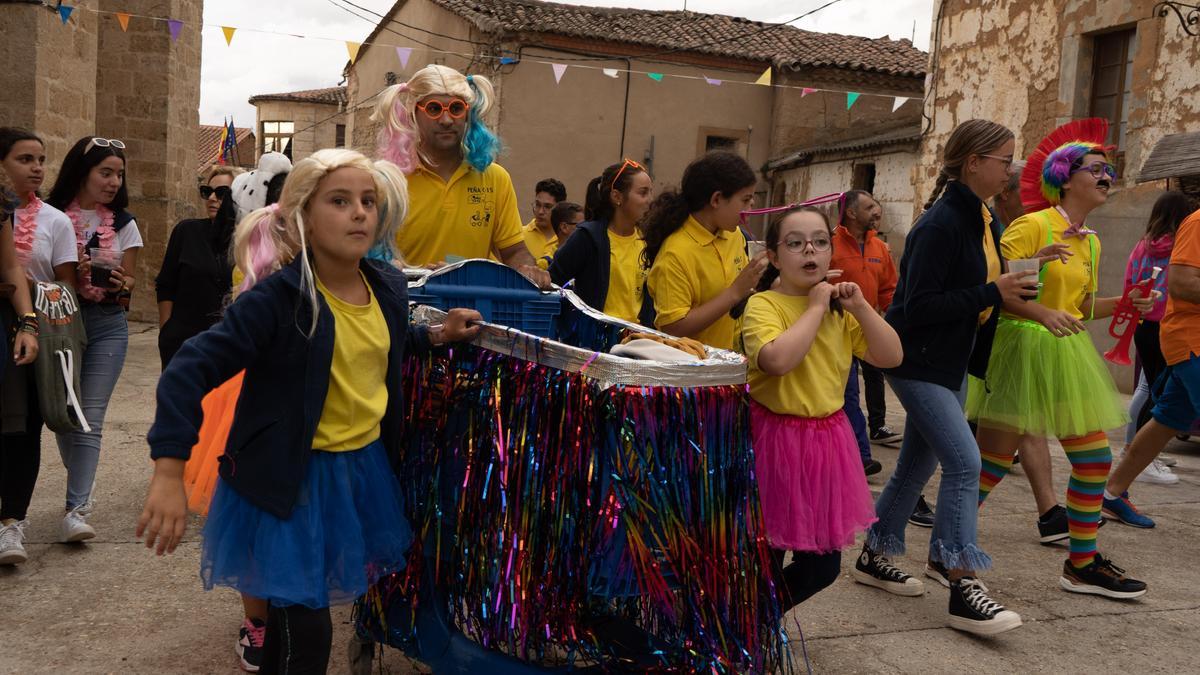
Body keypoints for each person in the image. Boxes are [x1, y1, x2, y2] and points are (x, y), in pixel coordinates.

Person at [136, 148, 482, 672]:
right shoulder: (278, 301)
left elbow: (377, 345)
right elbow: (191, 368)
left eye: (368, 200)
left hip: (357, 474)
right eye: (340, 201)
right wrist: (168, 468)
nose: (360, 212)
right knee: (308, 627)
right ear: (303, 217)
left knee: (293, 621)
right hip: (287, 481)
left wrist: (434, 334)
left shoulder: (385, 287)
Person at [852, 119, 1028, 636]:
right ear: (973, 162)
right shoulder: (940, 223)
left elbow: (984, 284)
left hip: (950, 361)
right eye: (1004, 160)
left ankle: (874, 555)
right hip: (916, 359)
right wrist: (996, 292)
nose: (1010, 170)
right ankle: (961, 580)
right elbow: (920, 305)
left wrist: (1013, 284)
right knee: (964, 462)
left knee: (913, 466)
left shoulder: (982, 216)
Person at [968, 118, 1150, 599]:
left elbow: (1081, 307)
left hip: (1066, 352)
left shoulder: (1089, 239)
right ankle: (951, 551)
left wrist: (1129, 301)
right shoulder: (1032, 225)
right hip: (1020, 348)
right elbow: (996, 293)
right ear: (1066, 178)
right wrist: (1041, 309)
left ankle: (1082, 563)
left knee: (1093, 460)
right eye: (1096, 168)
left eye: (1109, 169)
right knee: (989, 463)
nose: (1107, 176)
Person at [742, 204, 902, 611]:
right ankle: (741, 631)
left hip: (827, 443)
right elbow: (777, 361)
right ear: (776, 257)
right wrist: (814, 307)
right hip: (774, 440)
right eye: (795, 244)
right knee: (764, 556)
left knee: (823, 566)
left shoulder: (840, 309)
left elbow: (891, 356)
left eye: (819, 242)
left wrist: (862, 308)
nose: (809, 251)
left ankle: (750, 622)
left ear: (831, 252)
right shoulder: (764, 306)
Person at [46, 135, 143, 543]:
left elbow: (130, 289)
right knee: (64, 416)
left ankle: (77, 508)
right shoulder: (50, 218)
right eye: (106, 172)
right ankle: (80, 490)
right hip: (60, 321)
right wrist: (69, 269)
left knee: (90, 416)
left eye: (119, 174)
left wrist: (123, 283)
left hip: (106, 324)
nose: (114, 182)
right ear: (82, 173)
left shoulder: (124, 224)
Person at [372, 64, 550, 287]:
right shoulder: (388, 180)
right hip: (403, 308)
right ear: (414, 113)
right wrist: (416, 274)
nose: (446, 120)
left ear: (468, 114)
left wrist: (527, 268)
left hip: (474, 312)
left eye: (456, 108)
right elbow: (369, 254)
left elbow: (513, 251)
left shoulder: (495, 178)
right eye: (434, 109)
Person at [983, 160, 1070, 545]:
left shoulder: (1027, 226)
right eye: (1026, 192)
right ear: (1006, 194)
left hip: (1010, 337)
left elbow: (1017, 283)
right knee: (958, 442)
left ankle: (1050, 512)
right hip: (989, 340)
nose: (1034, 200)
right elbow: (1004, 289)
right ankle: (935, 512)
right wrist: (1042, 310)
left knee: (1027, 427)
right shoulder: (1007, 227)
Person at [1106, 201, 1200, 528]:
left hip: (1179, 336)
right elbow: (1182, 283)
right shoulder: (1198, 222)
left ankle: (1112, 494)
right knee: (1154, 404)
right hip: (1191, 339)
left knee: (1167, 419)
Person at [643, 151, 769, 351]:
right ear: (716, 199)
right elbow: (673, 327)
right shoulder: (675, 253)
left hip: (732, 363)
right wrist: (735, 293)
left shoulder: (734, 235)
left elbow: (743, 293)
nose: (752, 205)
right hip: (696, 372)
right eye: (745, 199)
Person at [0, 130, 44, 565]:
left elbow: (11, 264)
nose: (35, 167)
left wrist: (27, 323)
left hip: (6, 322)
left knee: (20, 423)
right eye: (24, 159)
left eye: (40, 159)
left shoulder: (2, 210)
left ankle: (11, 523)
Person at [155, 165, 244, 368]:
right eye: (207, 192)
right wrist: (167, 330)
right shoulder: (186, 231)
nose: (212, 198)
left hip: (229, 344)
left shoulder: (247, 238)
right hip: (183, 342)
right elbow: (166, 283)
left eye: (222, 193)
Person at [549, 160, 654, 324]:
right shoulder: (588, 237)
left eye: (650, 192)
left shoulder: (648, 240)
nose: (650, 200)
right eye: (643, 193)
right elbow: (552, 280)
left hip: (638, 342)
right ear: (617, 196)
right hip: (596, 343)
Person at [833, 190, 900, 446]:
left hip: (870, 324)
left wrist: (892, 321)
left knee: (876, 375)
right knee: (848, 389)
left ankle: (878, 426)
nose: (878, 211)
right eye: (870, 207)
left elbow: (888, 289)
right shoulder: (830, 244)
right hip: (837, 329)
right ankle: (856, 448)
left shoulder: (880, 248)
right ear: (851, 213)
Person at [524, 177, 566, 267]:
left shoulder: (567, 238)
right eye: (537, 205)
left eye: (547, 207)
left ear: (560, 209)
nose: (540, 212)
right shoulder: (519, 236)